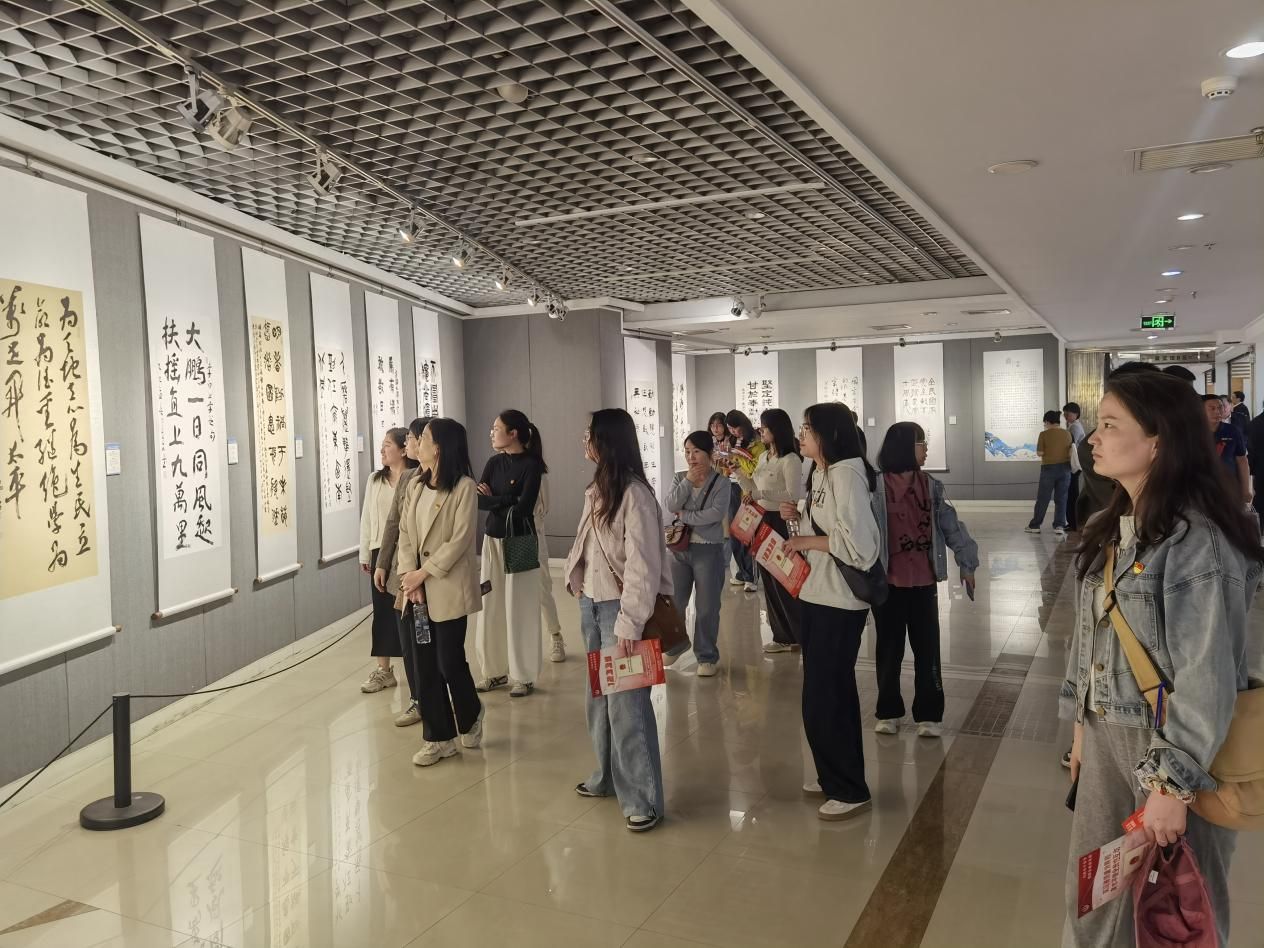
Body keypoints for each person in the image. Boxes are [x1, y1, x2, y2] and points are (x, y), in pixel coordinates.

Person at [1061, 370, 1263, 947]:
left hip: (1174, 745)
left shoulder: (1198, 541)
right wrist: (1082, 728)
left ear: (1158, 441)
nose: (1093, 438)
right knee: (1096, 897)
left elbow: (1206, 674)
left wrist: (1171, 787)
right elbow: (1090, 637)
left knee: (1179, 906)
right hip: (1107, 731)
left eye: (1110, 425)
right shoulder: (1112, 526)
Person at [566, 408, 673, 832]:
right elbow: (587, 543)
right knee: (599, 700)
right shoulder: (597, 489)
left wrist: (629, 623)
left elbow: (643, 568)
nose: (584, 440)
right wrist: (576, 580)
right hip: (593, 606)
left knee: (628, 707)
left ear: (607, 441)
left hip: (622, 612)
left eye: (589, 434)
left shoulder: (635, 496)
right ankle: (607, 777)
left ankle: (643, 798)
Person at [778, 402, 881, 822]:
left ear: (829, 434)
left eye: (807, 428)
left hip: (840, 600)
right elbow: (825, 526)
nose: (801, 435)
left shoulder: (847, 473)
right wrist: (798, 517)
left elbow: (861, 547)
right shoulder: (820, 472)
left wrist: (806, 542)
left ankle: (850, 788)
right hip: (816, 593)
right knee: (818, 694)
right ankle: (830, 775)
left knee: (830, 695)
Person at [871, 422, 978, 739]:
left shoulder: (931, 485)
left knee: (927, 649)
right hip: (888, 584)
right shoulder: (875, 488)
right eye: (921, 442)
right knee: (888, 650)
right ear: (904, 447)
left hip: (923, 582)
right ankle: (888, 711)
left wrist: (967, 563)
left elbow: (951, 526)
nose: (926, 449)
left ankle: (929, 714)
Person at [396, 418, 485, 767]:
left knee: (449, 661)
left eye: (424, 438)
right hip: (417, 591)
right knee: (425, 665)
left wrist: (423, 574)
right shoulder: (416, 484)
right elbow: (405, 534)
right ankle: (438, 738)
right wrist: (411, 577)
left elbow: (460, 540)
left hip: (447, 588)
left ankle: (471, 713)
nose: (416, 443)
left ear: (439, 448)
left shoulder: (464, 487)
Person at [475, 410, 545, 697]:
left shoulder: (532, 465)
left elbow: (524, 508)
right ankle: (494, 672)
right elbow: (479, 501)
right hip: (492, 540)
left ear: (513, 433)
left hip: (519, 541)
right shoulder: (494, 463)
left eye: (496, 428)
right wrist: (506, 499)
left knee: (520, 607)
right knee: (490, 605)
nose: (492, 433)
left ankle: (523, 676)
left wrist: (494, 499)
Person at [372, 418, 429, 725]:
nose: (408, 444)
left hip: (432, 579)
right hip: (404, 578)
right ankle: (418, 699)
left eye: (412, 439)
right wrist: (382, 563)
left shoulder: (455, 482)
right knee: (410, 643)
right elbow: (394, 523)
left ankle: (436, 698)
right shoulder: (408, 477)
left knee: (433, 645)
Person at [736, 408, 803, 654]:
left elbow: (792, 494)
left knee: (784, 579)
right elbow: (751, 486)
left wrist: (760, 493)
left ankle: (796, 634)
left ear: (776, 430)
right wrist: (736, 471)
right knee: (769, 580)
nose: (760, 431)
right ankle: (781, 635)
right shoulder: (764, 457)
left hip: (780, 521)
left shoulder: (791, 459)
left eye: (764, 428)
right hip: (761, 519)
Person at [357, 427, 415, 696]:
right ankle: (384, 670)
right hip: (380, 551)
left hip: (406, 551)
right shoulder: (375, 480)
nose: (382, 450)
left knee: (405, 610)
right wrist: (365, 553)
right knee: (381, 611)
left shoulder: (415, 478)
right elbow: (367, 518)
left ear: (404, 449)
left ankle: (415, 668)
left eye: (388, 445)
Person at [667, 430, 728, 676]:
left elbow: (715, 514)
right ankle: (676, 645)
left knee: (706, 606)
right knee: (675, 601)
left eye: (696, 451)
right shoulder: (679, 477)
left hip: (708, 549)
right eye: (687, 452)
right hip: (679, 549)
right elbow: (671, 504)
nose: (691, 457)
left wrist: (684, 516)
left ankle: (706, 656)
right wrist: (687, 482)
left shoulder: (721, 482)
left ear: (709, 454)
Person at [723, 409, 765, 592]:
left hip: (749, 490)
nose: (733, 432)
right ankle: (743, 571)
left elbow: (754, 470)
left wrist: (737, 458)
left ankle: (751, 576)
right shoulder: (732, 441)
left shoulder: (757, 442)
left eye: (735, 428)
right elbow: (730, 468)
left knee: (747, 534)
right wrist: (726, 461)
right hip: (733, 487)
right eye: (730, 429)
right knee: (735, 534)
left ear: (744, 424)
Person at [1025, 410, 1072, 537]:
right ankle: (1059, 525)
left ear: (1047, 421)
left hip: (1048, 469)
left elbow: (1040, 452)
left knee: (1043, 498)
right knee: (1061, 498)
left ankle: (1035, 525)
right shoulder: (1067, 433)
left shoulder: (1044, 434)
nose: (1044, 425)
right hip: (1065, 469)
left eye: (1044, 423)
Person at [536, 472, 566, 663]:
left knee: (542, 591)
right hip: (505, 538)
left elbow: (544, 507)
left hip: (533, 536)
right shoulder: (499, 466)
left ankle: (555, 635)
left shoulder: (538, 472)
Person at [1203, 394, 1250, 505]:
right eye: (1212, 408)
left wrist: (1245, 489)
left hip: (1228, 489)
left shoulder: (1232, 431)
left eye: (1220, 407)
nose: (1217, 411)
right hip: (1201, 490)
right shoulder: (1192, 433)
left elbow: (1242, 460)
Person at [1062, 403, 1086, 532]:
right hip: (1076, 465)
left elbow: (1071, 446)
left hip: (1074, 465)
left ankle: (1073, 523)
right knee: (1072, 493)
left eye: (1068, 414)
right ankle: (1073, 522)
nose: (1065, 416)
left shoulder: (1075, 427)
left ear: (1076, 414)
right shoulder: (1074, 426)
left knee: (1072, 494)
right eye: (1064, 414)